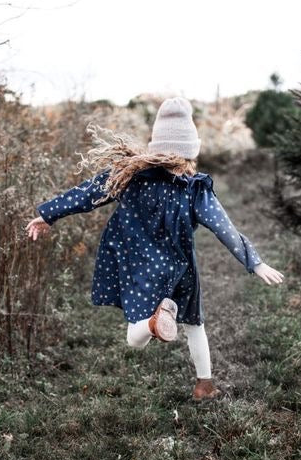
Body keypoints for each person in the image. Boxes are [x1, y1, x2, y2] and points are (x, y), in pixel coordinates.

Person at [25, 97, 284, 401]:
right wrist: (255, 262)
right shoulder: (194, 188)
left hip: (140, 266)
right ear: (192, 149)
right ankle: (204, 385)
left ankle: (152, 322)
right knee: (194, 324)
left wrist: (48, 215)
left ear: (155, 144)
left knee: (136, 337)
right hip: (179, 268)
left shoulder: (129, 175)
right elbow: (224, 228)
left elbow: (87, 193)